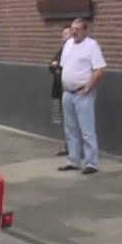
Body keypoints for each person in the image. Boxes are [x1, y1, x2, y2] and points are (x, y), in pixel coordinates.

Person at [57, 18, 106, 175]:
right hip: (67, 92)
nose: (74, 32)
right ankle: (73, 160)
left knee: (87, 129)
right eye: (72, 28)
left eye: (78, 29)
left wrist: (87, 88)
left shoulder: (91, 46)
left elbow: (99, 70)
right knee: (70, 129)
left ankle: (91, 162)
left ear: (85, 30)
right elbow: (65, 66)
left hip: (82, 93)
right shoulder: (68, 45)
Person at [49, 26, 73, 157]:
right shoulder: (61, 50)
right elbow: (51, 65)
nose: (63, 37)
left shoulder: (72, 51)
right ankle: (67, 146)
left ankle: (73, 147)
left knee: (72, 121)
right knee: (63, 119)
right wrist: (56, 68)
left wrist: (57, 67)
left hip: (69, 89)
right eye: (63, 34)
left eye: (66, 34)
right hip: (59, 89)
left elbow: (60, 66)